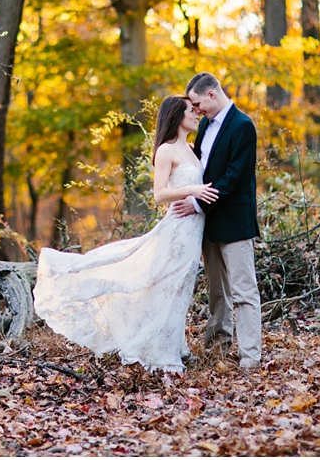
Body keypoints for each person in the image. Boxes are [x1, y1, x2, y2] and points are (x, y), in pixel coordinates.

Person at [33, 96, 217, 372]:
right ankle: (158, 352)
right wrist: (192, 191)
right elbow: (159, 194)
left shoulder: (191, 149)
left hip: (194, 231)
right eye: (191, 111)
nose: (196, 115)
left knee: (181, 288)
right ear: (177, 116)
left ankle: (174, 344)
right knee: (166, 286)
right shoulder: (167, 151)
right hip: (177, 231)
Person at [170, 72, 263, 372]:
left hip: (234, 221)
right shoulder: (206, 125)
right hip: (208, 222)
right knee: (217, 291)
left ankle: (250, 357)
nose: (195, 111)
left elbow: (234, 177)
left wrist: (196, 202)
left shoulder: (243, 126)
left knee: (244, 291)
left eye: (197, 104)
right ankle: (218, 346)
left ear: (211, 95)